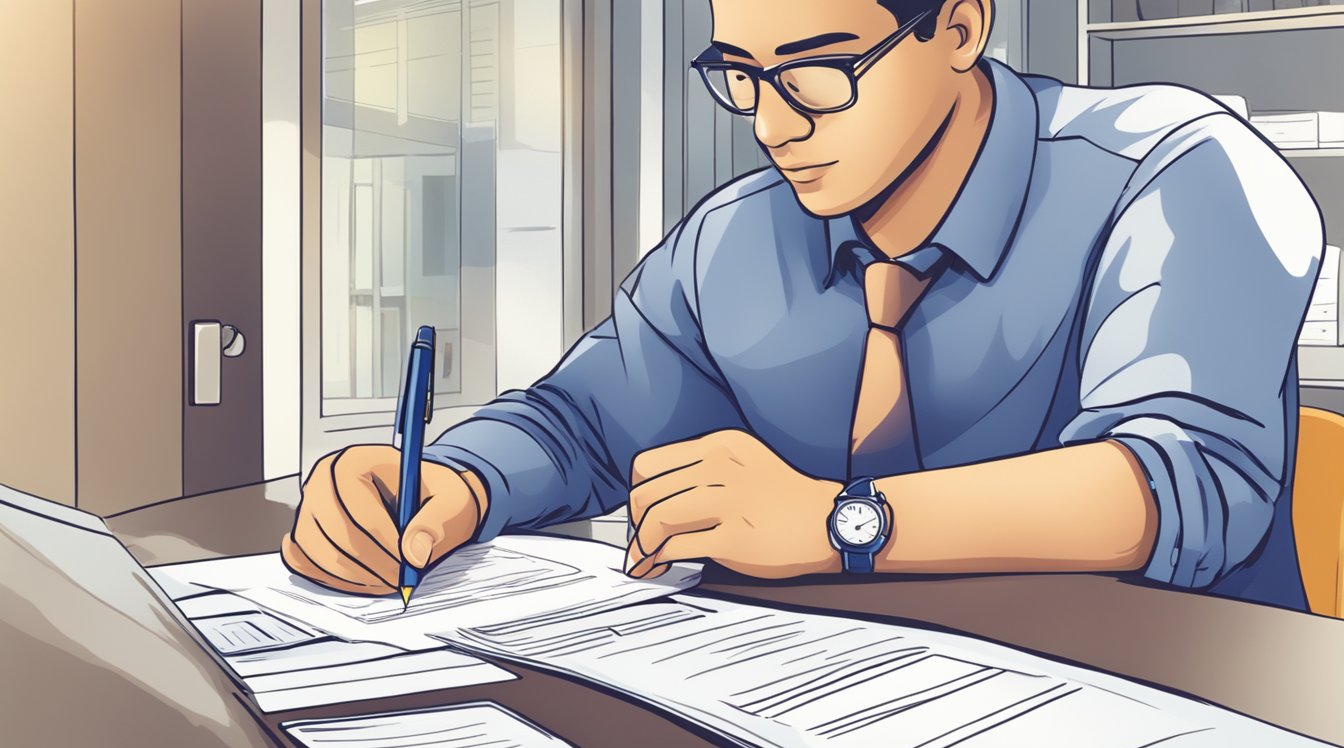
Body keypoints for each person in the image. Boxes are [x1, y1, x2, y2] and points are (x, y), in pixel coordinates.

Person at [282, 0, 1324, 611]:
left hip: (1160, 705)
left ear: (959, 25)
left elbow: (1187, 479)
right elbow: (582, 421)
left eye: (820, 72)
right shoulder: (732, 240)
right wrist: (457, 480)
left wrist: (838, 522)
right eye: (740, 76)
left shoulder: (1176, 168)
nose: (773, 126)